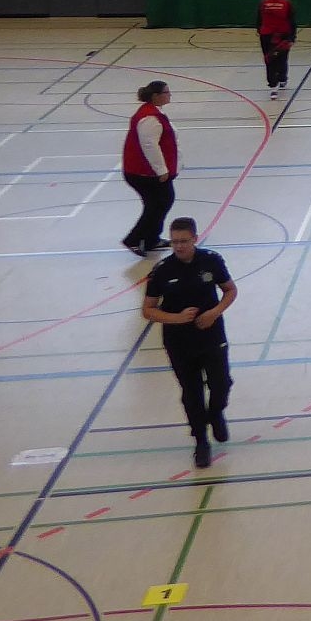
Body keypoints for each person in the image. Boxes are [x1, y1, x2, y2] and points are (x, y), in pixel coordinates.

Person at [142, 215, 236, 469]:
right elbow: (148, 310)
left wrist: (214, 312)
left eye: (184, 241)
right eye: (174, 242)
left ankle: (216, 413)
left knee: (222, 383)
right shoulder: (163, 270)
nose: (179, 246)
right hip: (179, 342)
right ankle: (201, 442)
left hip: (212, 335)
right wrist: (177, 318)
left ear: (195, 238)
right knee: (192, 393)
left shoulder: (211, 261)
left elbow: (230, 290)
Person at [121, 81, 178, 256]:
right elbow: (149, 145)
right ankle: (134, 239)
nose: (170, 95)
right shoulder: (149, 118)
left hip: (146, 171)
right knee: (158, 204)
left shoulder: (154, 113)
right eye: (166, 92)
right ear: (156, 96)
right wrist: (161, 170)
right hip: (143, 173)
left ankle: (151, 239)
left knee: (161, 202)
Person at [256, 0, 295, 96]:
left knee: (269, 59)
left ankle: (273, 86)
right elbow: (292, 21)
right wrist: (292, 37)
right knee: (282, 59)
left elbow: (259, 20)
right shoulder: (287, 4)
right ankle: (282, 78)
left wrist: (260, 31)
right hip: (283, 36)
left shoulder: (263, 3)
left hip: (266, 36)